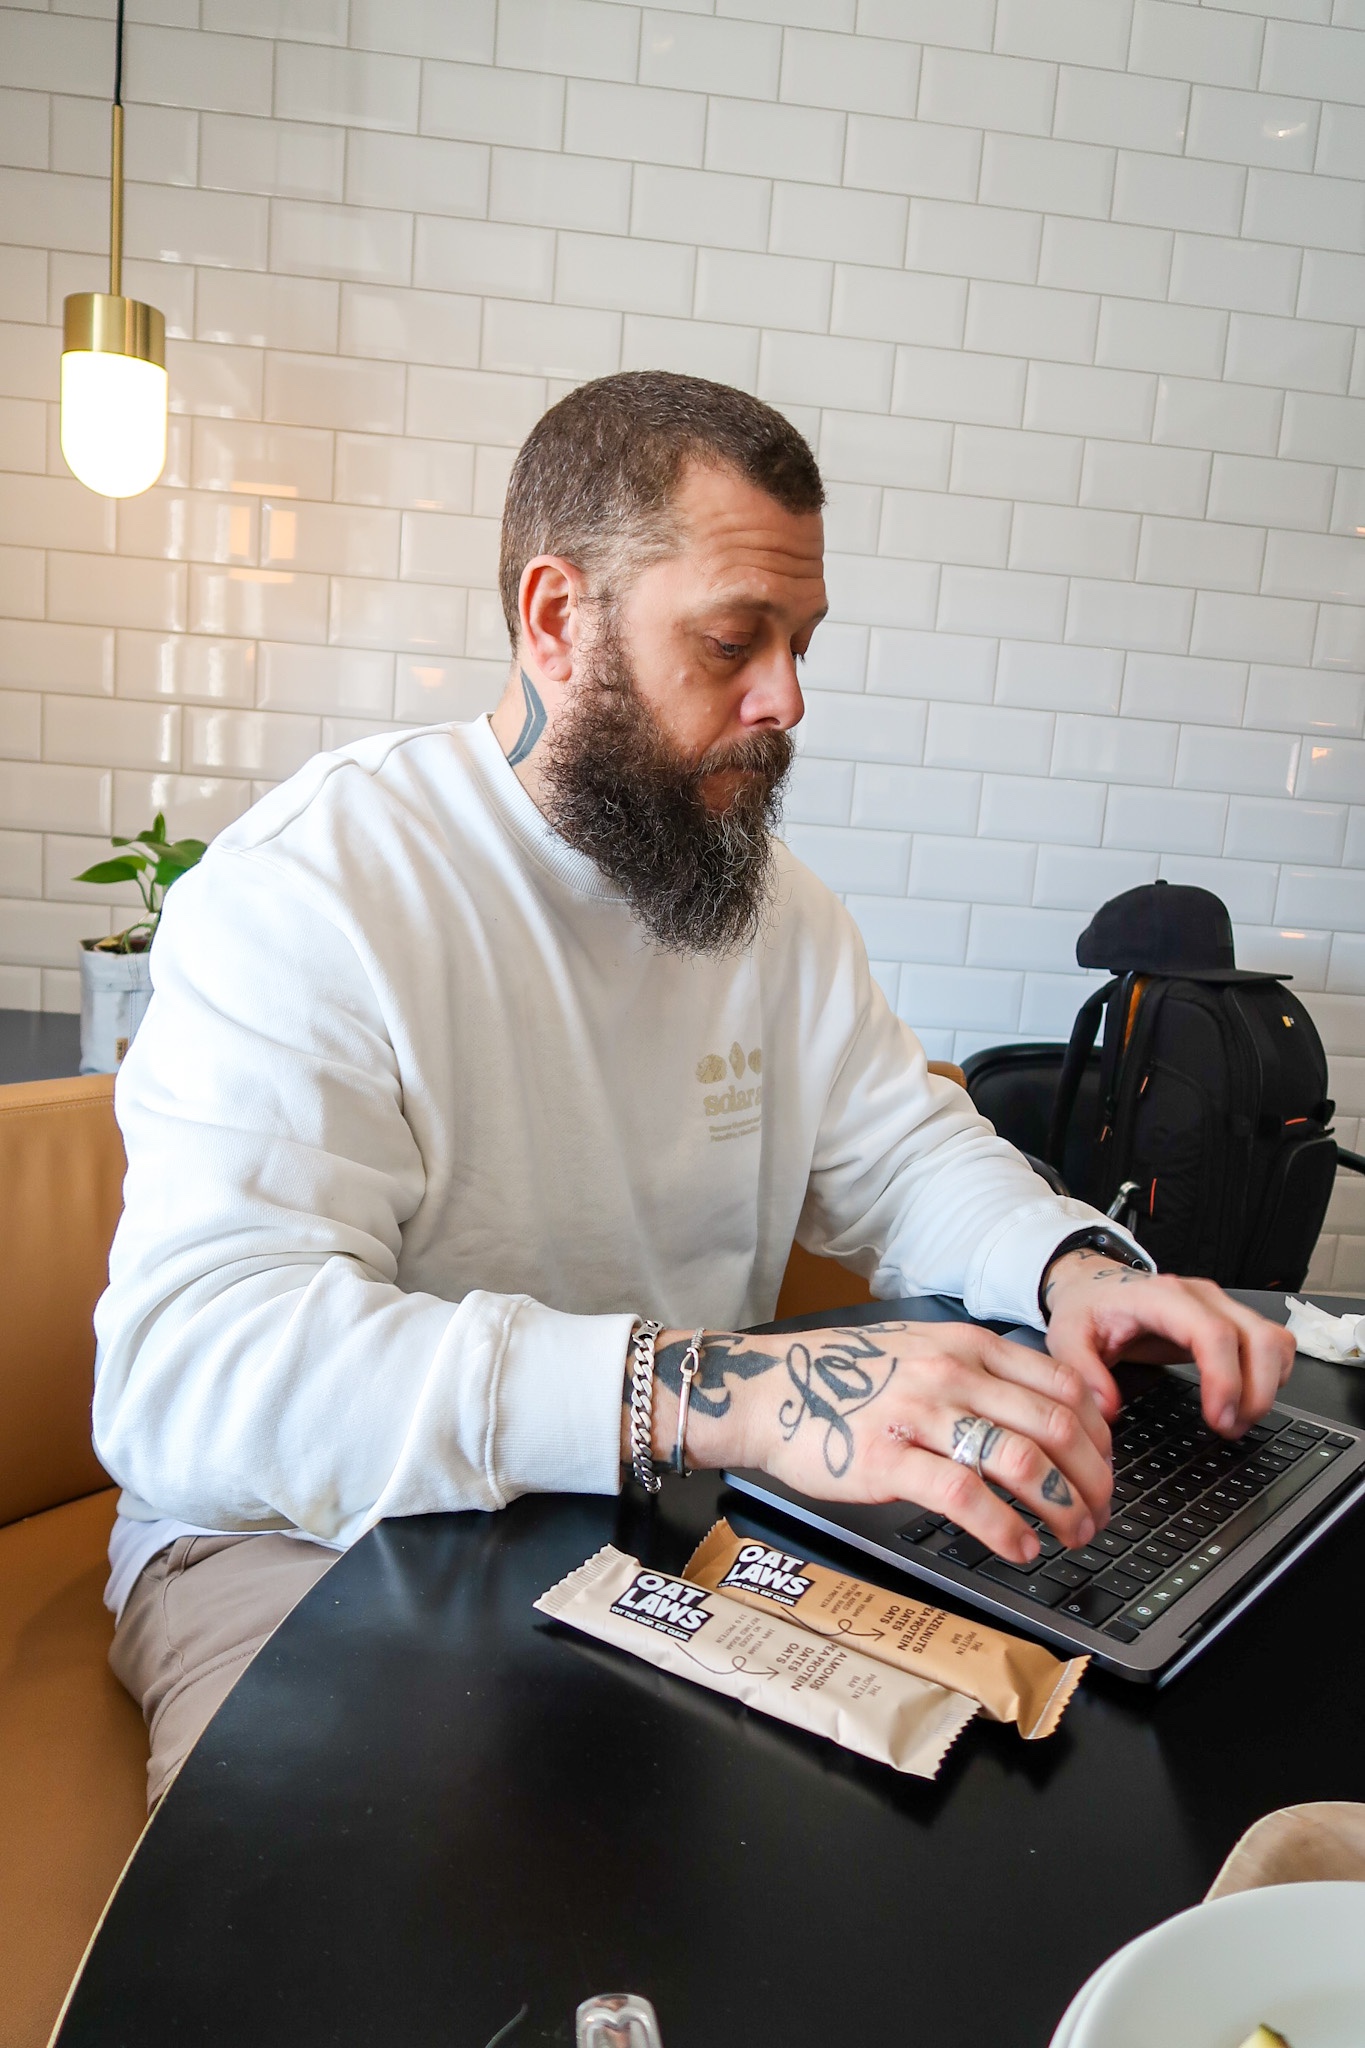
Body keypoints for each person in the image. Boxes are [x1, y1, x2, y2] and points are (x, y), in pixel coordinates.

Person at [95, 371, 1294, 1803]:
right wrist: (722, 1392)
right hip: (297, 1541)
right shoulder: (313, 893)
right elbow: (196, 1377)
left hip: (634, 1512)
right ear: (556, 618)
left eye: (799, 643)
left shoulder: (769, 906)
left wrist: (1070, 1271)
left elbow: (905, 1153)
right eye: (734, 641)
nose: (786, 699)